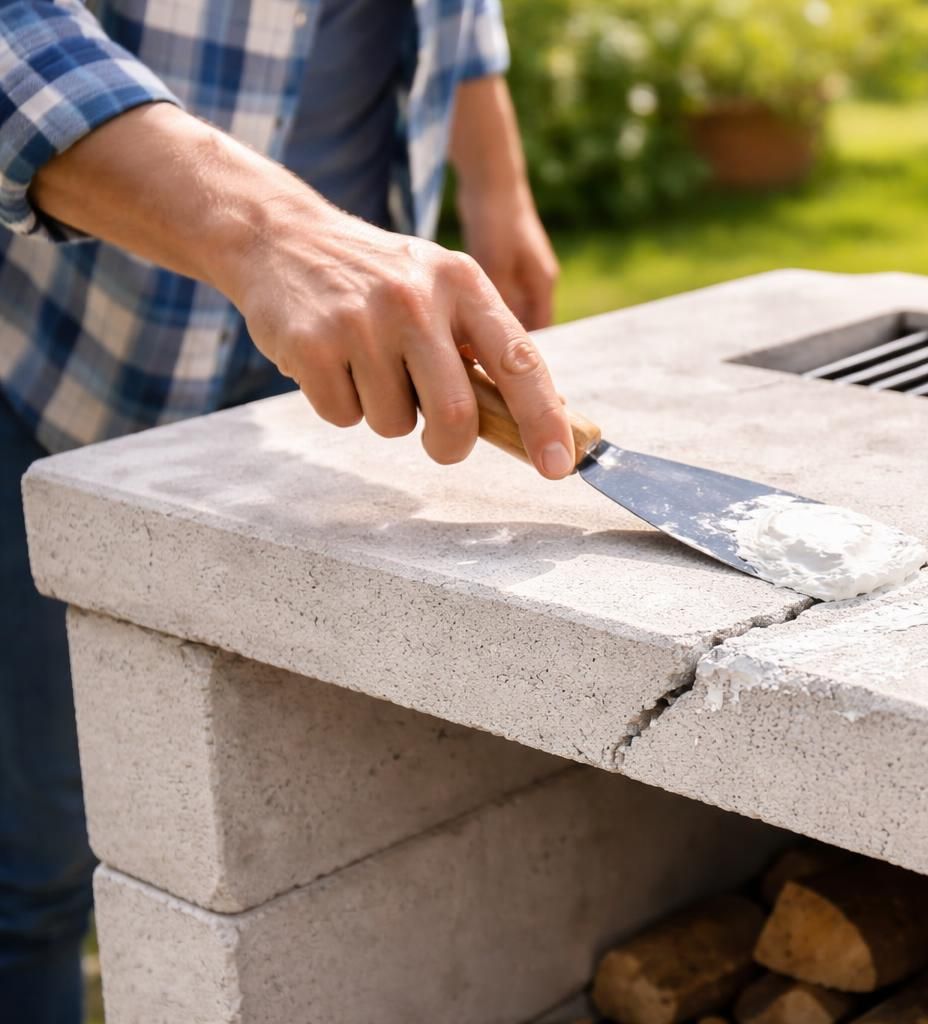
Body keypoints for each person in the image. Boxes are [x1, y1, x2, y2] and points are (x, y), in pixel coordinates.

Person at [0, 0, 572, 1017]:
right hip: (58, 363)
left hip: (315, 381)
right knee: (32, 862)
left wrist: (500, 185)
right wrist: (271, 232)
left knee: (300, 844)